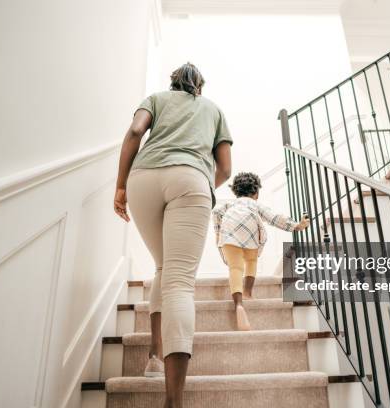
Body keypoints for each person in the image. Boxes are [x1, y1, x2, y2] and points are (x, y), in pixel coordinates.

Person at [113, 62, 232, 408]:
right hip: (191, 180)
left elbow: (135, 132)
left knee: (164, 269)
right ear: (200, 85)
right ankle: (174, 401)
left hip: (143, 179)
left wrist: (121, 186)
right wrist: (198, 181)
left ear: (172, 82)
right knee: (180, 281)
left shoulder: (155, 99)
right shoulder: (213, 110)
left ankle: (153, 356)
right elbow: (225, 168)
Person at [212, 172, 309, 330]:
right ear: (256, 192)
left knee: (235, 268)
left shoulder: (229, 205)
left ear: (236, 192)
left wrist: (218, 233)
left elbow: (216, 213)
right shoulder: (255, 204)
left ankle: (238, 305)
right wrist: (296, 226)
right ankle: (248, 292)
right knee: (251, 261)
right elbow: (274, 217)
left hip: (228, 233)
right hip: (250, 232)